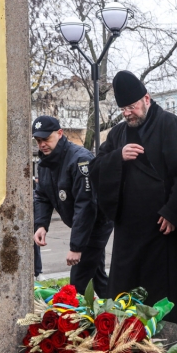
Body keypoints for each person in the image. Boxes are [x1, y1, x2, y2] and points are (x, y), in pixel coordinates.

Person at [89, 70, 177, 327]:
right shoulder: (118, 135)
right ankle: (126, 341)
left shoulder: (170, 125)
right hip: (129, 235)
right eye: (123, 109)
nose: (127, 113)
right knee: (127, 294)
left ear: (147, 99)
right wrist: (117, 157)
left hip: (164, 232)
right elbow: (95, 168)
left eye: (131, 106)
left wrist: (174, 212)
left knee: (167, 295)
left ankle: (174, 339)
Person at [33, 116, 113, 297]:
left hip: (96, 224)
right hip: (83, 225)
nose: (42, 144)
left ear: (60, 134)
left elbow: (86, 205)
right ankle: (118, 315)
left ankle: (73, 320)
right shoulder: (45, 162)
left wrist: (76, 248)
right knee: (98, 277)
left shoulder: (80, 159)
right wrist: (41, 225)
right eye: (38, 141)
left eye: (46, 139)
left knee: (77, 283)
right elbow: (42, 196)